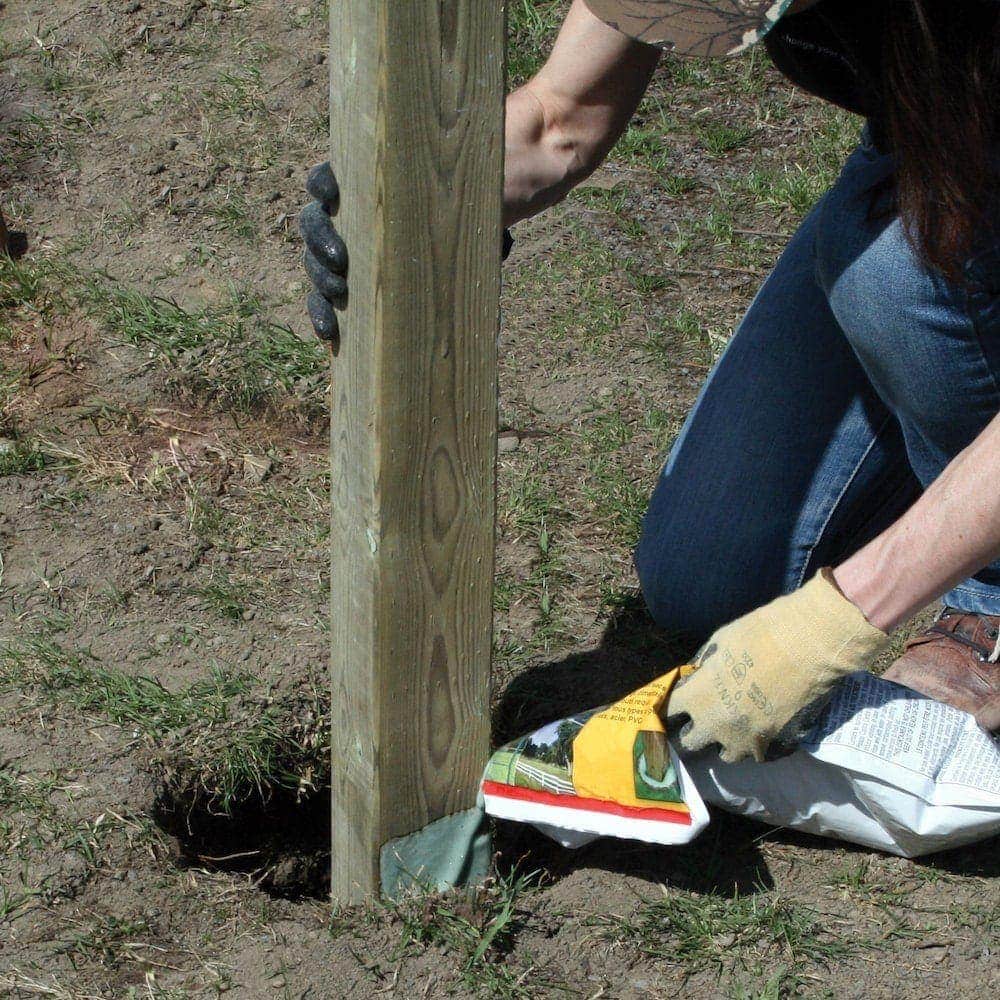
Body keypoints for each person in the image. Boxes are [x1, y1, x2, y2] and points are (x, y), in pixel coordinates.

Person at [300, 0, 1000, 763]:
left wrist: (841, 618)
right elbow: (555, 122)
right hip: (944, 149)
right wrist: (419, 192)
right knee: (708, 575)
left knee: (898, 276)